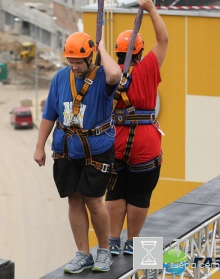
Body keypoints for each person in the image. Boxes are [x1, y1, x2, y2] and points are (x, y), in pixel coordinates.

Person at [34, 32, 122, 273]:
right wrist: (39, 146)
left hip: (96, 150)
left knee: (94, 201)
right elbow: (49, 114)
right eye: (70, 61)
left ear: (90, 58)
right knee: (73, 200)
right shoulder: (61, 78)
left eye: (78, 61)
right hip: (66, 149)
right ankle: (82, 253)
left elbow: (116, 74)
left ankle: (103, 251)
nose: (74, 66)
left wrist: (103, 49)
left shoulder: (103, 78)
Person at [106, 0, 169, 256]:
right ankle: (133, 242)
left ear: (118, 53)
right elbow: (163, 40)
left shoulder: (108, 74)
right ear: (140, 52)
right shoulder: (148, 68)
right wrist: (151, 9)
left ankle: (112, 240)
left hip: (116, 141)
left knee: (116, 190)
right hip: (144, 141)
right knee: (139, 194)